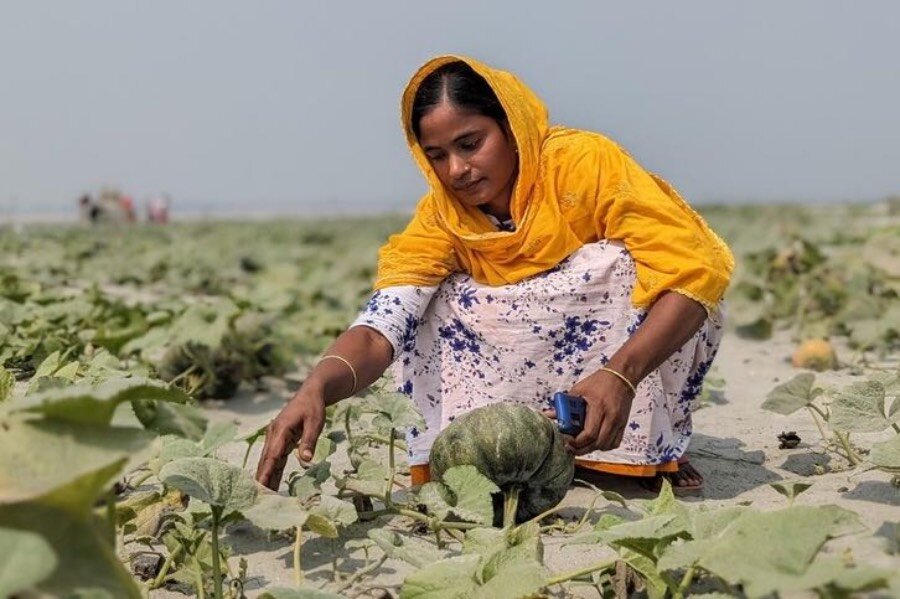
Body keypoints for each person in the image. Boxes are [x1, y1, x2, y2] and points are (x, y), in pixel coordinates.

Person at [256, 56, 733, 495]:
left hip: (622, 363)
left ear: (510, 126)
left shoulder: (583, 165)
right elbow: (384, 324)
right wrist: (316, 386)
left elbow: (693, 270)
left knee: (632, 267)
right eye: (437, 155)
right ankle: (512, 450)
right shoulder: (442, 218)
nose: (457, 170)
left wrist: (620, 377)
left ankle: (648, 448)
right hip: (523, 377)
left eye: (470, 144)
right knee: (430, 298)